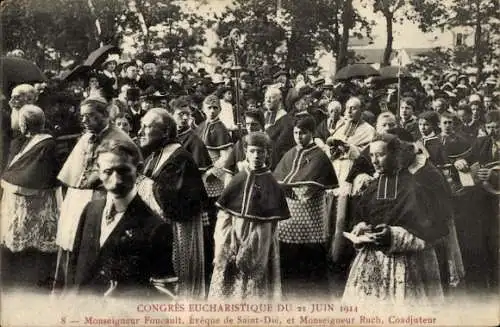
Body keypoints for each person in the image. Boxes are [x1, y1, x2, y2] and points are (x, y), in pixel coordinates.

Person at [342, 134, 447, 305]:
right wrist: (362, 226)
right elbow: (363, 216)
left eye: (380, 155)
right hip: (372, 261)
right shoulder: (372, 188)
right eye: (372, 155)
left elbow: (428, 232)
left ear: (395, 155)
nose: (374, 161)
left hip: (405, 263)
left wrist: (393, 235)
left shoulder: (414, 187)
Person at [67, 139, 173, 297]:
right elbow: (75, 268)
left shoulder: (156, 228)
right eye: (108, 172)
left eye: (123, 171)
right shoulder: (91, 210)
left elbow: (164, 294)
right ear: (98, 170)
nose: (116, 181)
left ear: (138, 169)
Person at [55, 96, 137, 286]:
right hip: (78, 198)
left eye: (90, 116)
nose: (84, 121)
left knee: (91, 248)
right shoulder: (85, 137)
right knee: (70, 243)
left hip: (102, 197)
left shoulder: (120, 139)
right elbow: (73, 173)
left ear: (105, 115)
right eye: (82, 117)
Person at [209, 132, 290, 299]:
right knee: (231, 278)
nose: (256, 155)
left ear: (267, 153)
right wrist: (227, 239)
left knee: (253, 277)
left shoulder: (271, 182)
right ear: (246, 151)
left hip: (259, 237)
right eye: (252, 151)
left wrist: (253, 244)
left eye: (261, 152)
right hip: (233, 235)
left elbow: (268, 224)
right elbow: (225, 214)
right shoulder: (239, 177)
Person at [138, 108, 206, 298]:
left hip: (177, 232)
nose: (140, 131)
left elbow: (171, 202)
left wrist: (139, 181)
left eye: (147, 127)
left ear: (166, 132)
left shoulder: (180, 158)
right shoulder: (155, 154)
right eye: (141, 126)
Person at [274, 115, 338, 298]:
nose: (298, 136)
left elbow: (306, 192)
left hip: (309, 218)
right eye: (295, 132)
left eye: (303, 133)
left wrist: (286, 189)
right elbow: (278, 179)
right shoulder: (290, 153)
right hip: (288, 217)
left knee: (310, 266)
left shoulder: (319, 156)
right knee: (289, 263)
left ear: (311, 133)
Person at [1, 105, 60, 289]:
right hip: (22, 197)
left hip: (35, 198)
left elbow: (46, 172)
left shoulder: (46, 144)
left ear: (24, 124)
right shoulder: (26, 141)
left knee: (32, 247)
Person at [263, 87, 295, 162]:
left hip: (277, 157)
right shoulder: (263, 115)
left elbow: (281, 144)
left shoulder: (286, 119)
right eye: (266, 97)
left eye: (272, 97)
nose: (268, 100)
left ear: (280, 100)